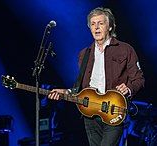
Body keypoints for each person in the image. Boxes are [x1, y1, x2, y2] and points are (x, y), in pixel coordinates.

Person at [48, 7, 145, 146]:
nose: (96, 27)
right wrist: (66, 92)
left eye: (101, 23)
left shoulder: (125, 49)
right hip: (90, 113)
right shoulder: (84, 54)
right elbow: (80, 87)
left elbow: (139, 79)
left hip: (114, 110)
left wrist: (128, 88)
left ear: (110, 26)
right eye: (93, 24)